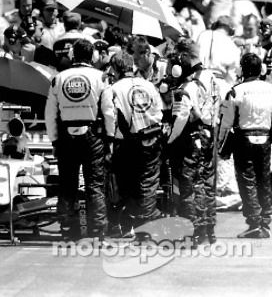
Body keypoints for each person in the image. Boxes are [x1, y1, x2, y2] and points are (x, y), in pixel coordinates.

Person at [45, 39, 115, 241]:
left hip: (66, 137)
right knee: (95, 184)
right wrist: (110, 138)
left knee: (67, 184)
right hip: (93, 136)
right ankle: (98, 230)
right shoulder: (101, 77)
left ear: (73, 55)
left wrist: (54, 140)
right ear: (92, 56)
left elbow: (49, 114)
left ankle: (67, 228)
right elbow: (109, 112)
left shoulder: (58, 78)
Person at [102, 52, 164, 237]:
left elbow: (110, 117)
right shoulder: (149, 85)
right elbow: (159, 112)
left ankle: (134, 228)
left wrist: (109, 142)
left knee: (127, 187)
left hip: (126, 143)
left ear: (115, 69)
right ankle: (143, 229)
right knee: (147, 185)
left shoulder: (113, 89)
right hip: (152, 139)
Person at [167, 39, 223, 245]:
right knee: (207, 183)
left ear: (183, 57)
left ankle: (194, 231)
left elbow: (182, 118)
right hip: (209, 133)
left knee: (190, 185)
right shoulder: (212, 78)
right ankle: (209, 228)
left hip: (192, 137)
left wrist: (170, 140)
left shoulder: (188, 86)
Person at [219, 53, 272, 239]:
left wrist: (220, 145)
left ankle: (254, 223)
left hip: (244, 139)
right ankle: (265, 222)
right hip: (266, 138)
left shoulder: (235, 91)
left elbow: (226, 122)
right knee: (264, 179)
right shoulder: (270, 88)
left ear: (243, 69)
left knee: (247, 181)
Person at [196, 15, 240, 85]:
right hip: (219, 81)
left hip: (199, 77)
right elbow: (231, 76)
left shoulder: (203, 35)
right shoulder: (233, 46)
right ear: (230, 29)